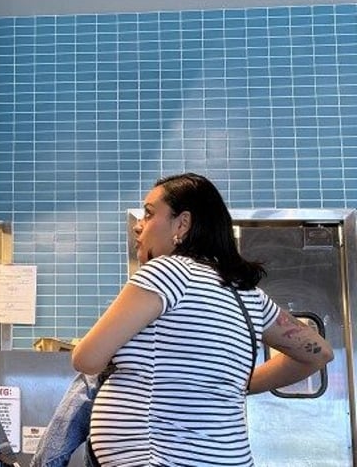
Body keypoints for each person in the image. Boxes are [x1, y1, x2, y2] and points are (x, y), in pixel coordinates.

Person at [72, 173, 333, 467]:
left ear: (182, 224)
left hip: (161, 459)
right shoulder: (245, 292)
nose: (138, 226)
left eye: (149, 213)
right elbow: (318, 352)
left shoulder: (166, 272)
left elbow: (87, 358)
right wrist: (231, 383)